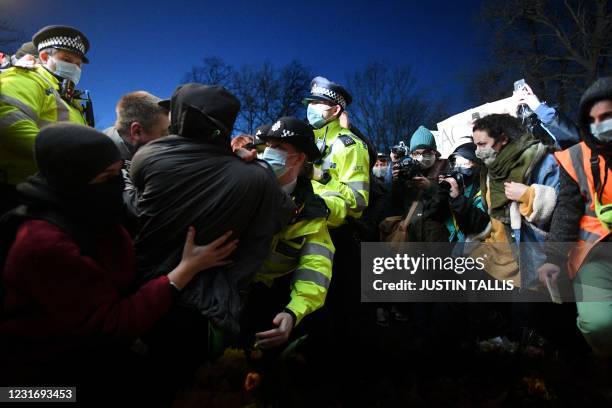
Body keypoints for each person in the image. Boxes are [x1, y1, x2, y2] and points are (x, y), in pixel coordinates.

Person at [0, 123, 237, 400]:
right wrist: (185, 270)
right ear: (73, 179)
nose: (117, 184)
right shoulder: (44, 243)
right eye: (106, 176)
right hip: (41, 381)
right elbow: (112, 324)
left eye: (119, 172)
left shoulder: (87, 211)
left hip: (82, 353)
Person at [129, 84, 294, 389]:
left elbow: (136, 202)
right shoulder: (256, 176)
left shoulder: (150, 156)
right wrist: (256, 163)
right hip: (209, 313)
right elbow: (283, 213)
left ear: (182, 118)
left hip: (142, 294)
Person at [240, 117, 334, 350]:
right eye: (269, 146)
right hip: (226, 291)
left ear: (299, 158)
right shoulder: (242, 183)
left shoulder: (312, 214)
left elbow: (315, 271)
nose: (269, 152)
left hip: (269, 302)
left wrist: (293, 313)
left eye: (279, 148)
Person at [539, 77, 612, 357]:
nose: (599, 125)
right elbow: (568, 211)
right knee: (598, 324)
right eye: (592, 120)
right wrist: (554, 258)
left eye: (606, 117)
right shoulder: (575, 157)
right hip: (595, 253)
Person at [0, 25, 93, 212]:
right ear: (44, 57)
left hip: (54, 192)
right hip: (19, 194)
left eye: (78, 64)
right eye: (67, 60)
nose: (74, 68)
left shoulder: (68, 96)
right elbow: (9, 120)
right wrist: (64, 158)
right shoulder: (26, 77)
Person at [303, 76, 370, 228]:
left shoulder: (351, 146)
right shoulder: (309, 141)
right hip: (305, 223)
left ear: (335, 110)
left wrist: (321, 176)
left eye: (316, 102)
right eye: (309, 103)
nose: (310, 107)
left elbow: (358, 202)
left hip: (336, 231)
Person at [103, 91, 170, 229]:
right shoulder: (100, 163)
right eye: (164, 133)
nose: (169, 140)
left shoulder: (132, 153)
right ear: (137, 131)